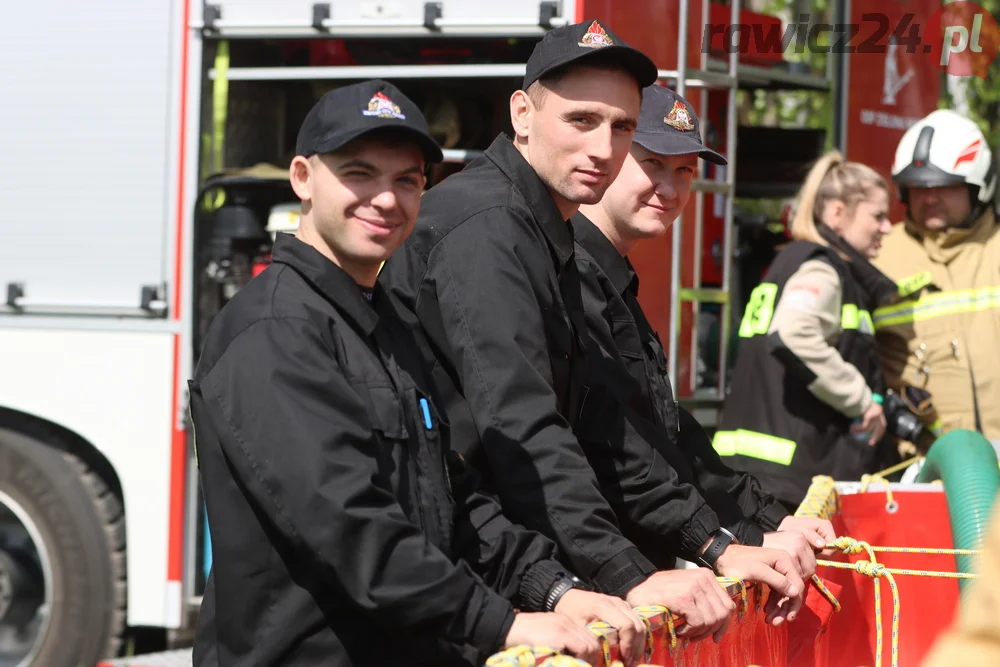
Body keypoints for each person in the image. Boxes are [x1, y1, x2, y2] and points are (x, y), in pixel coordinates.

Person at [188, 79, 650, 667]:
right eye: (359, 173)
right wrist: (501, 623)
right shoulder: (274, 331)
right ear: (303, 178)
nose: (385, 199)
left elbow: (455, 499)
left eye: (406, 180)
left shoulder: (383, 325)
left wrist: (557, 591)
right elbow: (351, 531)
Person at [379, 19, 805, 643]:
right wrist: (624, 574)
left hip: (490, 568)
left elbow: (611, 428)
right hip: (443, 588)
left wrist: (721, 540)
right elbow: (521, 425)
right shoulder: (488, 230)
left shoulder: (536, 229)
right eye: (581, 120)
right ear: (522, 114)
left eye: (622, 126)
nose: (603, 148)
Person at [570, 84, 837, 594]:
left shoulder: (609, 273)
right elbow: (617, 450)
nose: (670, 190)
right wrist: (721, 543)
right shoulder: (569, 273)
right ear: (607, 155)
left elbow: (663, 430)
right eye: (652, 164)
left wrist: (762, 522)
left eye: (685, 171)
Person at [712, 150, 901, 512]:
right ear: (836, 213)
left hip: (748, 474)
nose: (887, 227)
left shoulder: (789, 260)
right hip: (789, 484)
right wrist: (862, 400)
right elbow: (793, 333)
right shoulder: (823, 270)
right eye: (877, 216)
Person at [872, 109, 1000, 449]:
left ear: (978, 188)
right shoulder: (878, 256)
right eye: (917, 188)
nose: (929, 198)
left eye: (944, 187)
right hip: (922, 463)